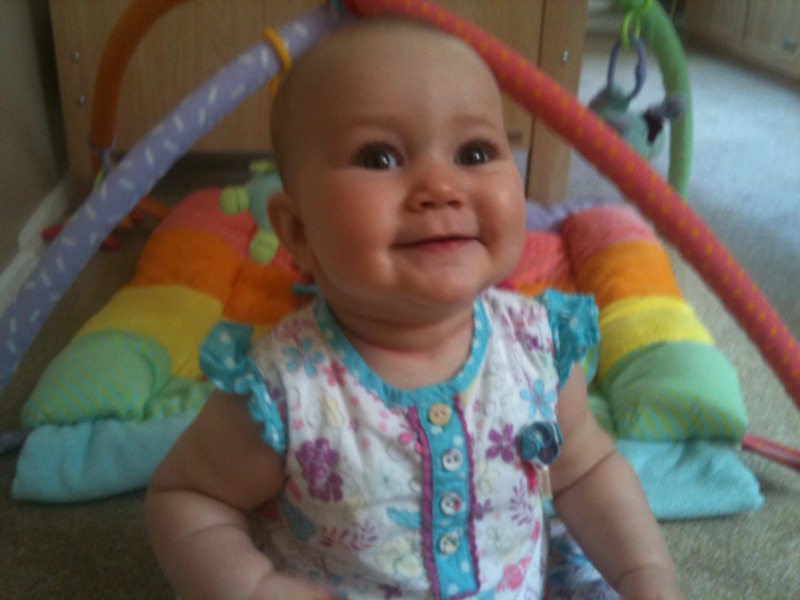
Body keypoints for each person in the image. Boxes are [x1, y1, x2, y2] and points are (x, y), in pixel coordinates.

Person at [145, 17, 685, 600]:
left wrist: (645, 574)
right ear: (298, 233)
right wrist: (254, 587)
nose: (440, 187)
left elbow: (585, 471)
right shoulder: (281, 392)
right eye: (379, 158)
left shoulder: (539, 347)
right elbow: (189, 497)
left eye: (474, 152)